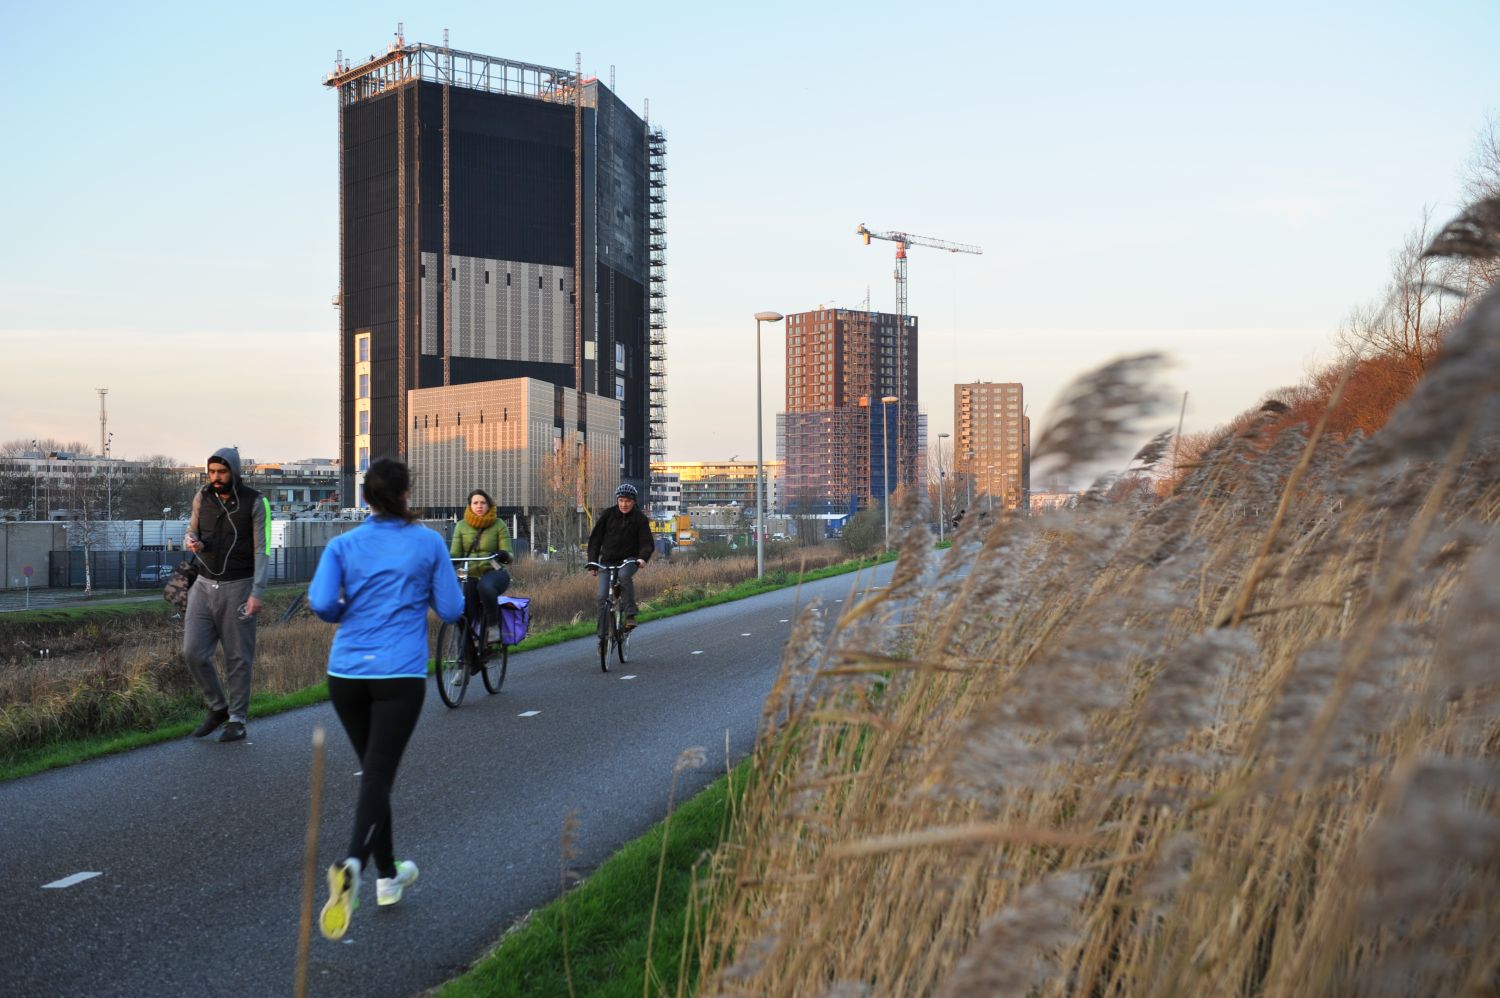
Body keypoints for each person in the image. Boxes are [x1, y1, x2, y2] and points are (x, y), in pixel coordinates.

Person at [308, 457, 463, 939]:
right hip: (399, 674)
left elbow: (321, 606)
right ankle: (352, 862)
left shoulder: (342, 545)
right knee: (378, 775)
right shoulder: (429, 543)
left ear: (366, 498)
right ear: (405, 496)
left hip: (346, 673)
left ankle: (389, 880)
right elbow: (454, 608)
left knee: (376, 775)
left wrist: (346, 606)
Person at [183, 447, 271, 743]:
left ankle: (237, 719)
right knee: (193, 652)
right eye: (212, 472)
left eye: (222, 472)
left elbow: (263, 549)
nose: (216, 478)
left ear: (234, 471)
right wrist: (191, 540)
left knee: (237, 657)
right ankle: (218, 706)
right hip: (203, 585)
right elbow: (191, 531)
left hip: (240, 586)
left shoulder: (256, 502)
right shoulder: (201, 497)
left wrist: (257, 591)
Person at [587, 483, 655, 630]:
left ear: (634, 501)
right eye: (621, 501)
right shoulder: (607, 515)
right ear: (617, 500)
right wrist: (593, 562)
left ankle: (630, 615)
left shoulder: (640, 519)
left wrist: (642, 557)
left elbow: (647, 543)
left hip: (629, 560)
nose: (624, 504)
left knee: (624, 576)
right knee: (601, 597)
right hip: (607, 561)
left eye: (628, 501)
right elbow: (595, 540)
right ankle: (602, 635)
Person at [449, 489, 512, 643]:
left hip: (493, 571)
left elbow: (509, 554)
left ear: (488, 505)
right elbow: (455, 553)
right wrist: (447, 560)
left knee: (485, 587)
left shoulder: (498, 524)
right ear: (469, 506)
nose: (479, 506)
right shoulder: (461, 526)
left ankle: (493, 626)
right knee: (462, 610)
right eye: (475, 503)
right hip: (468, 573)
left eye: (483, 502)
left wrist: (502, 554)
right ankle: (466, 656)